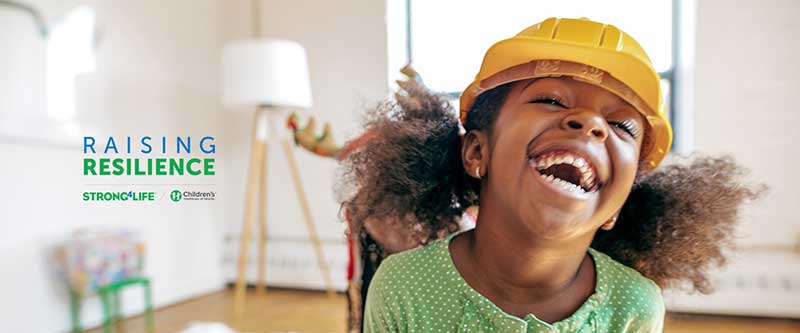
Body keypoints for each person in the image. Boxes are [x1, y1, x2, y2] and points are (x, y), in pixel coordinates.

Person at [338, 17, 765, 332]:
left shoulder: (633, 306)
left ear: (619, 202)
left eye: (621, 126)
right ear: (476, 152)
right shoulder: (405, 287)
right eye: (551, 100)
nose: (590, 123)